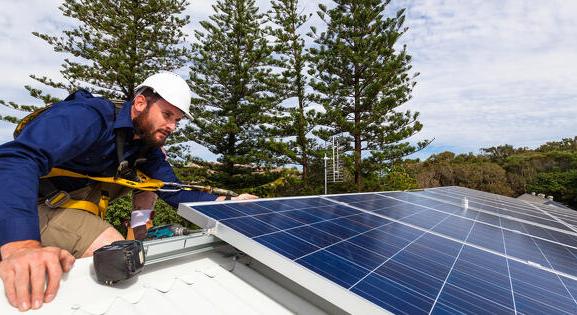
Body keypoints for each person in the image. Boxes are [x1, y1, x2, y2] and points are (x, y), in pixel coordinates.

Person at [0, 71, 256, 311]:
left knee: (148, 185)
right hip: (34, 203)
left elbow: (173, 190)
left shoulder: (147, 147)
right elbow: (16, 159)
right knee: (120, 255)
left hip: (76, 204)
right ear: (141, 102)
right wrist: (21, 245)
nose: (172, 127)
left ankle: (137, 232)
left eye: (177, 120)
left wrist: (225, 203)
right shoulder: (89, 116)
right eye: (167, 115)